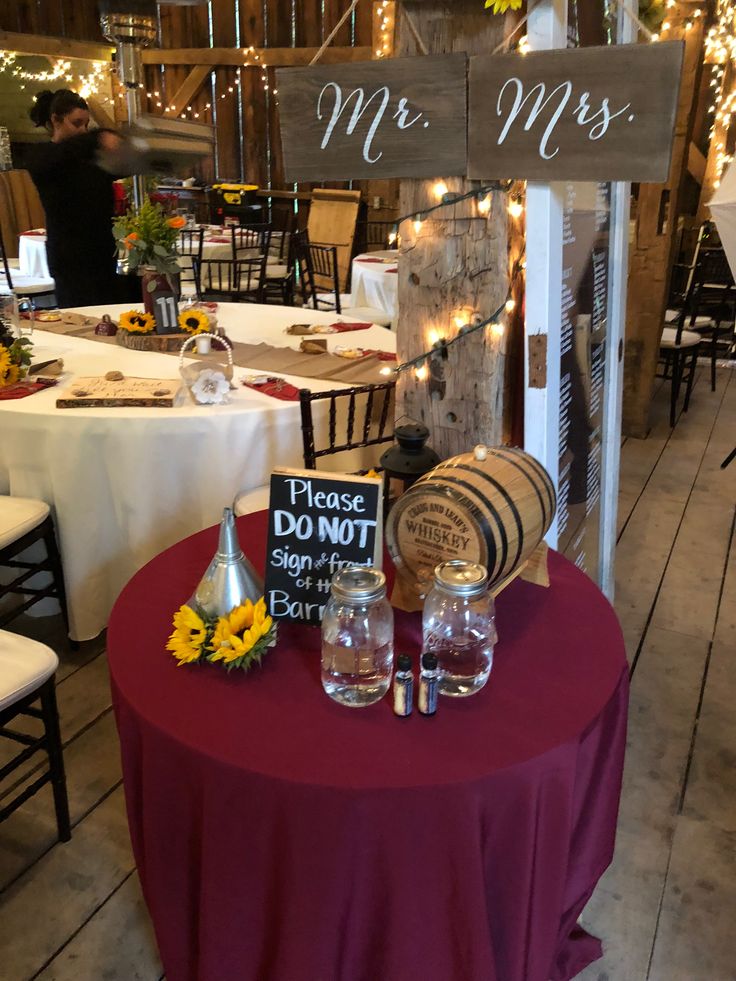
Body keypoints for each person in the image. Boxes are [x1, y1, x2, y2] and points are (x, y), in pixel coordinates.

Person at [26, 88, 129, 308]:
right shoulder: (43, 157)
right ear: (55, 120)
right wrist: (98, 136)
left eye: (86, 124)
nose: (83, 130)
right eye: (76, 123)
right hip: (69, 258)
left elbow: (125, 166)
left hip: (102, 254)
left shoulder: (92, 159)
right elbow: (66, 153)